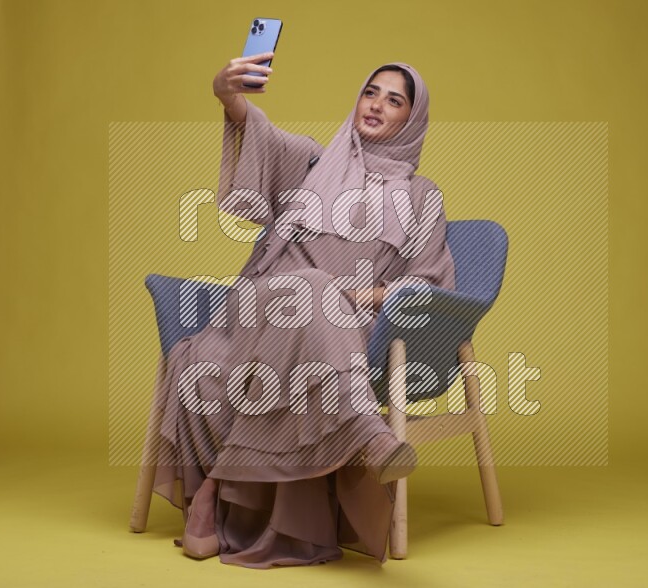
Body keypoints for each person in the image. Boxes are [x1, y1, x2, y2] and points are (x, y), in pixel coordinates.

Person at [148, 53, 456, 569]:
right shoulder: (314, 162)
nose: (376, 104)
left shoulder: (423, 199)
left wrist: (368, 295)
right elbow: (256, 131)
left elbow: (427, 281)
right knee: (308, 286)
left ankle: (212, 497)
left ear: (412, 118)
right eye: (370, 92)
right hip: (254, 315)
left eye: (394, 99)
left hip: (337, 332)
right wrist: (227, 93)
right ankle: (364, 432)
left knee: (316, 298)